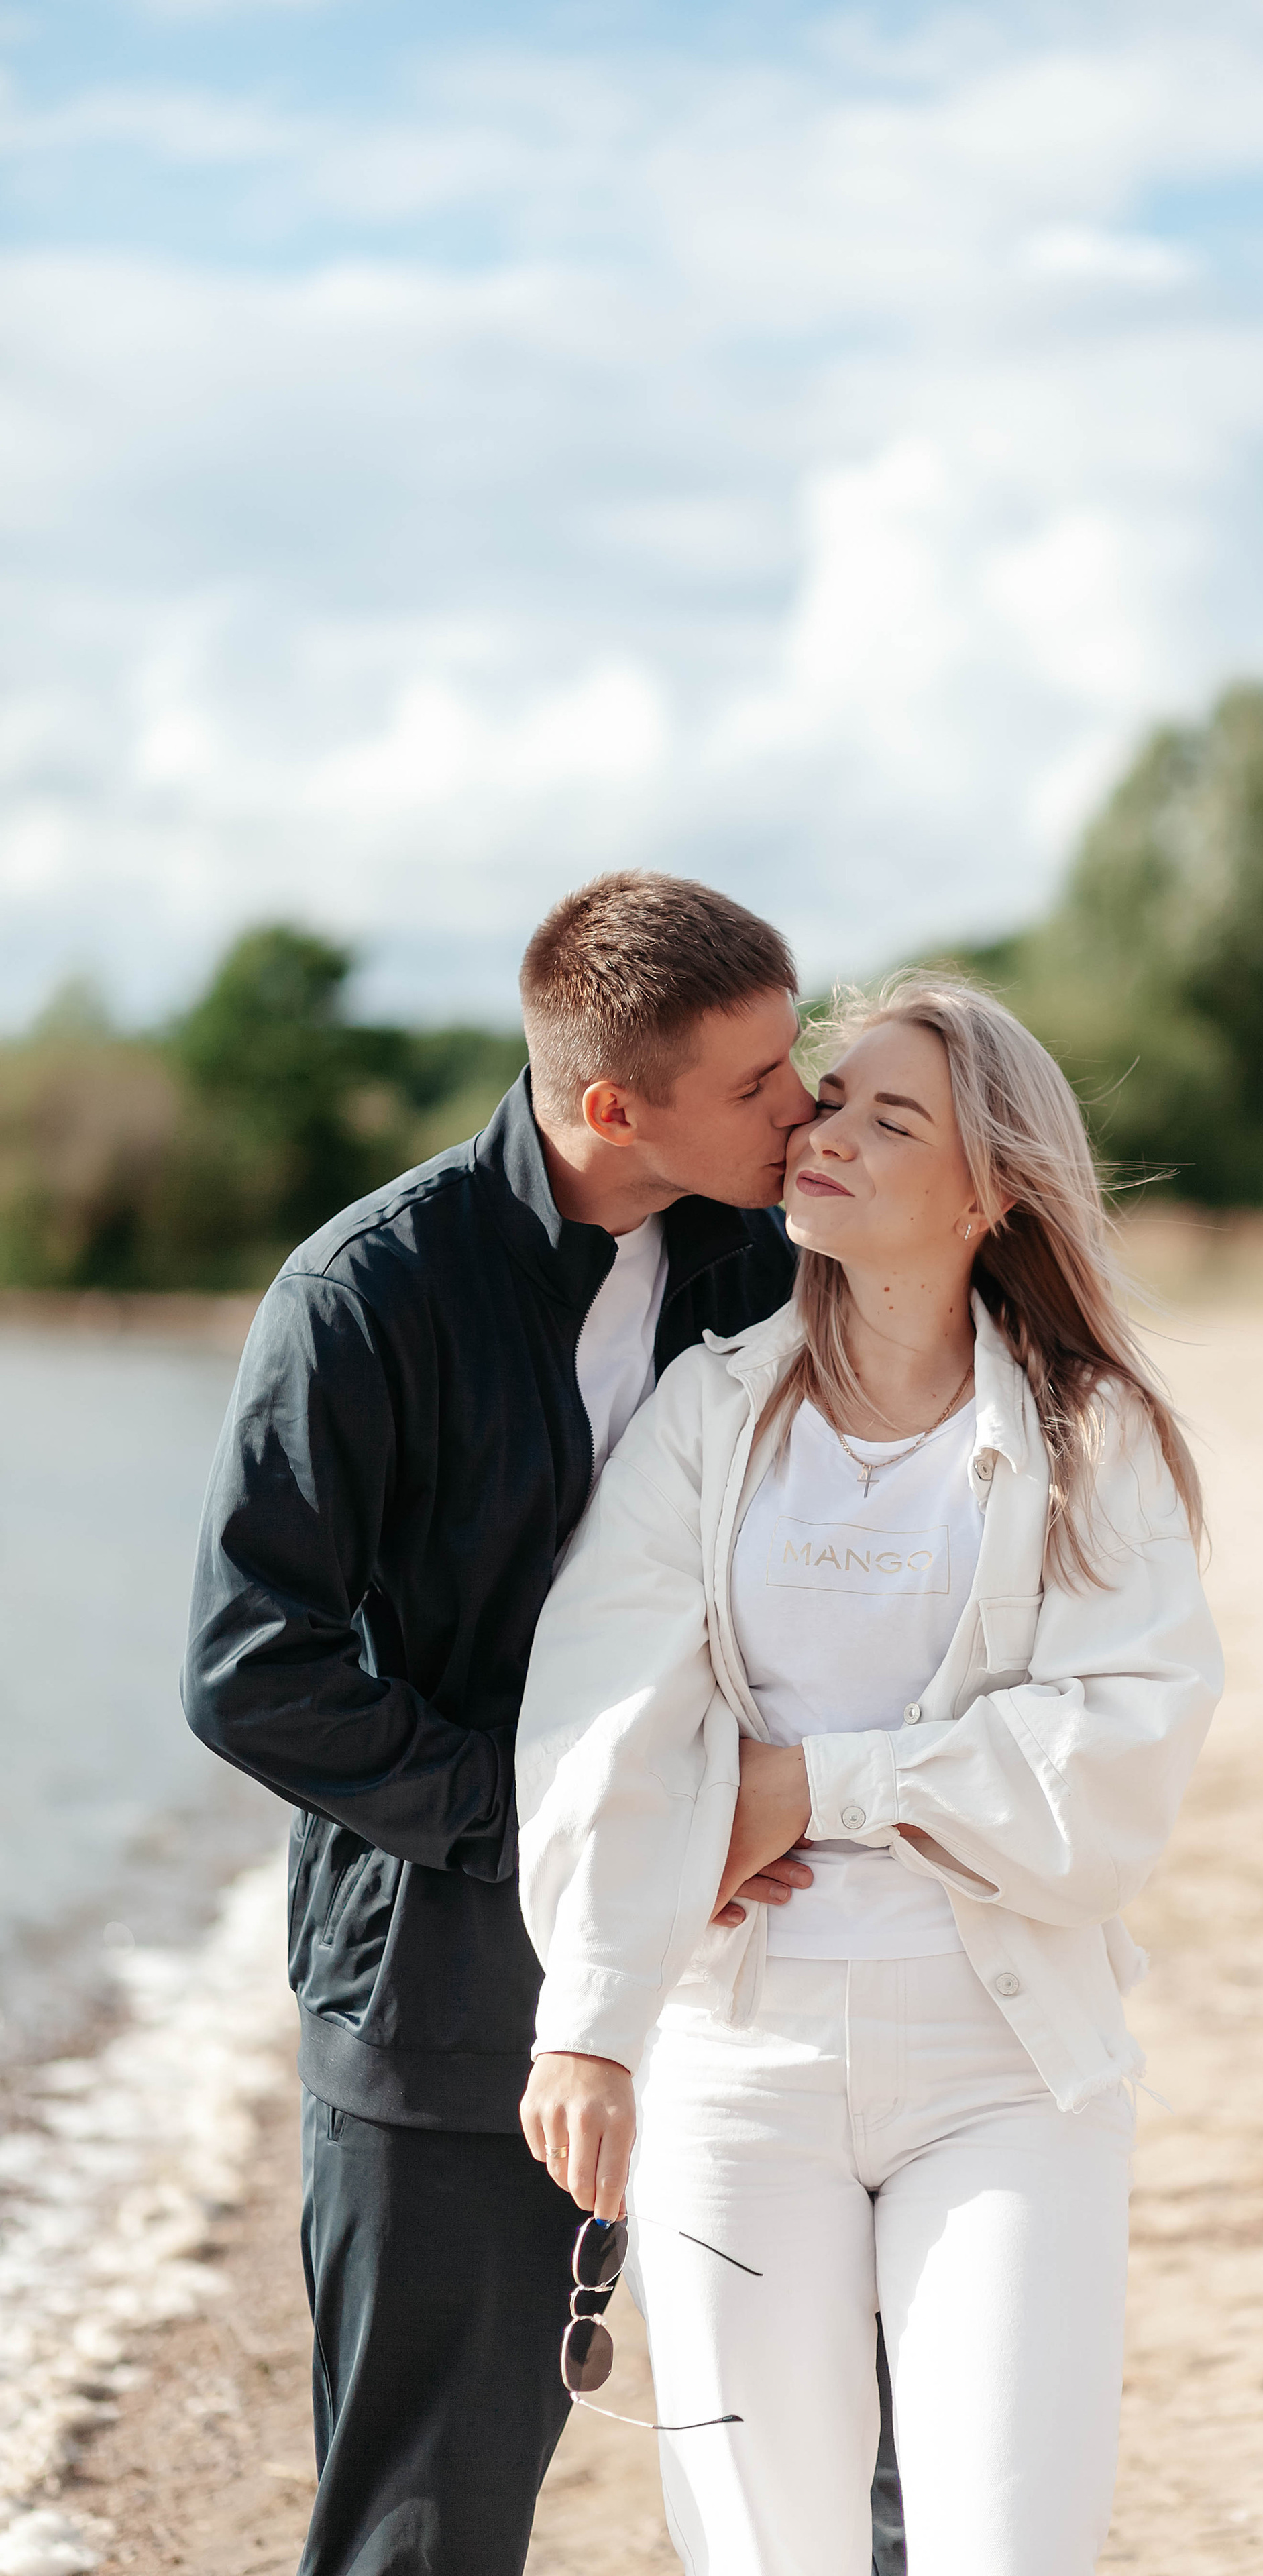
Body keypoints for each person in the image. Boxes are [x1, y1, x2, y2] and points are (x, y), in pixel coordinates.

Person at [182, 873, 910, 2576]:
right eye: (755, 1082)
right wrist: (587, 1835)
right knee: (427, 2525)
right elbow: (251, 1666)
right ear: (615, 1111)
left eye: (795, 1060)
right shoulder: (363, 1296)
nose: (801, 1104)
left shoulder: (779, 1262)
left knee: (862, 2475)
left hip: (766, 1968)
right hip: (444, 1984)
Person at [515, 971, 1224, 2574]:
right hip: (731, 2063)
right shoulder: (704, 1415)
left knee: (1007, 2545)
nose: (822, 1134)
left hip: (1004, 2068)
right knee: (768, 2550)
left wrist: (812, 1786)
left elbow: (1114, 1763)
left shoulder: (1093, 1434)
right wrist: (592, 2027)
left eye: (889, 1119)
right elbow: (607, 1725)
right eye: (828, 1100)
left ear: (988, 1194)